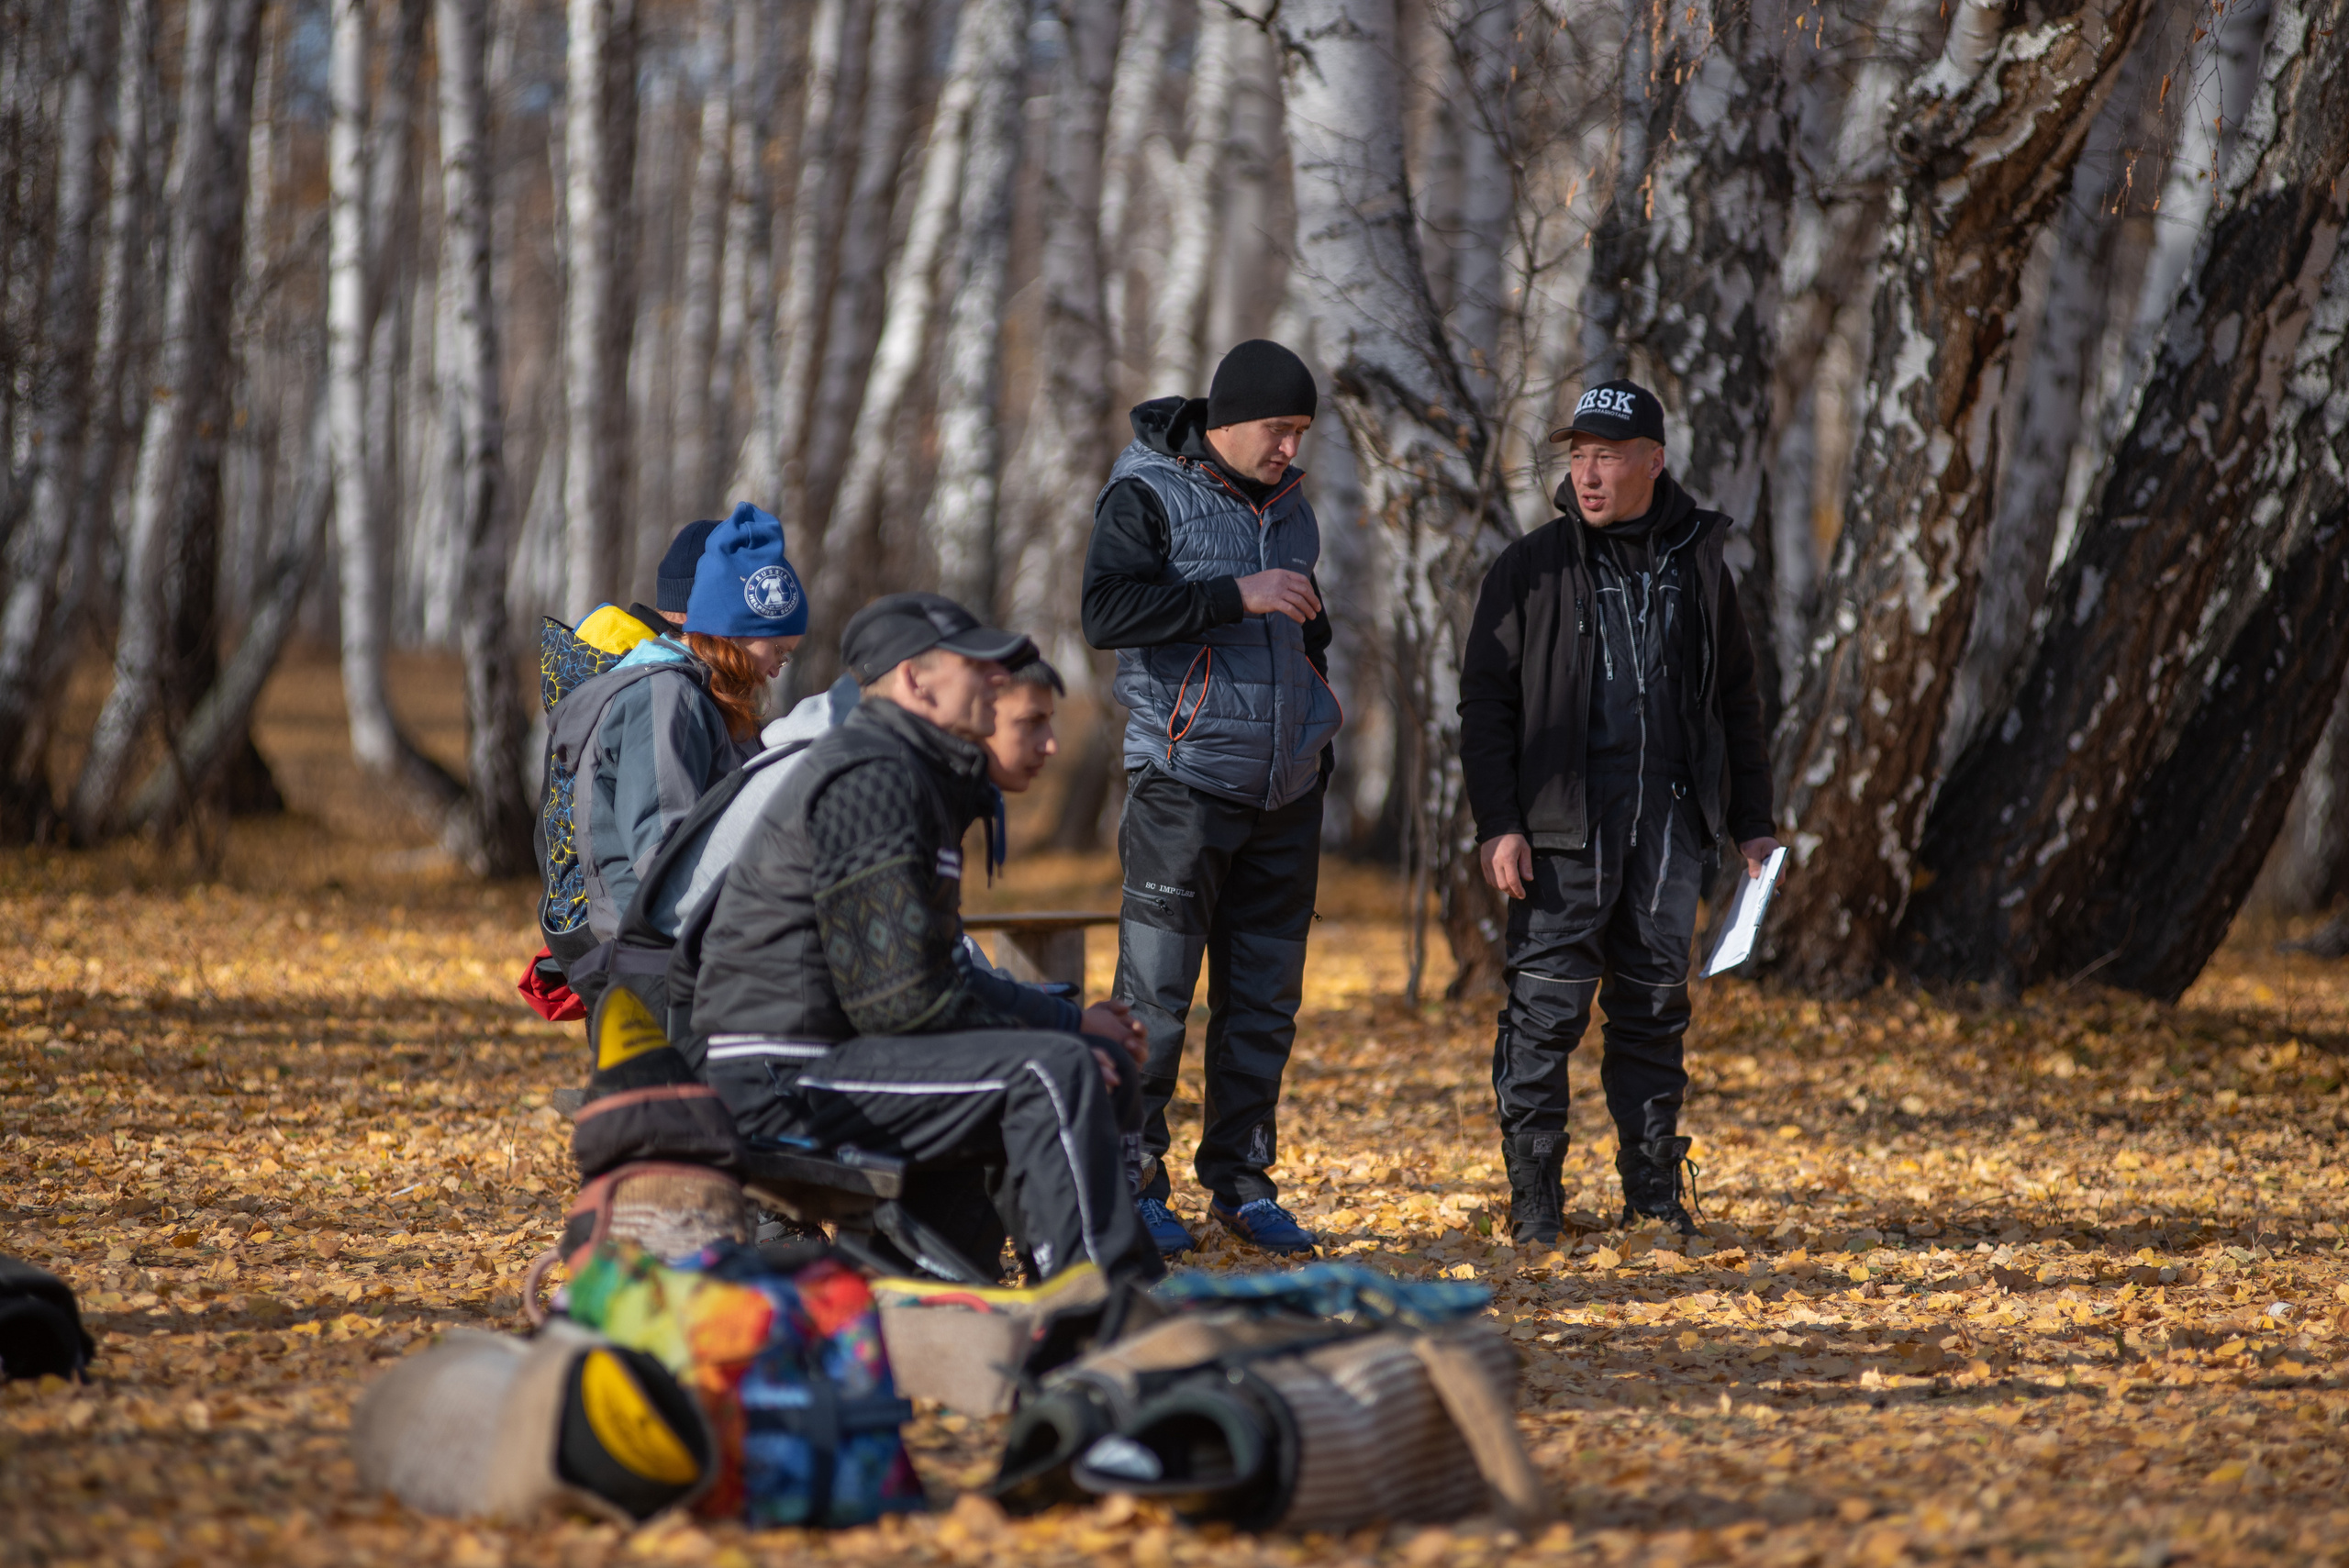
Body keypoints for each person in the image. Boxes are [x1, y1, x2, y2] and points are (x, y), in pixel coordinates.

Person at [689, 594, 1161, 1285]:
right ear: (916, 680)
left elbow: (918, 984)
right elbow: (902, 1002)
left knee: (1072, 1058)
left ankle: (939, 1298)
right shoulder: (874, 774)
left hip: (830, 1060)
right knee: (1048, 1070)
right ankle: (1104, 1313)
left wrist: (1065, 1023)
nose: (998, 684)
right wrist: (1059, 1021)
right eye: (981, 673)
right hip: (782, 1078)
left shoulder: (914, 772)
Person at [1457, 379, 1778, 1242]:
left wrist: (1752, 820)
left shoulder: (1701, 565)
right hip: (1561, 835)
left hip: (1670, 831)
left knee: (1652, 1013)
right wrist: (1501, 823)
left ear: (1653, 462)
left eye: (1607, 456)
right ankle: (1534, 1205)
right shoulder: (1531, 568)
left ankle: (1653, 1197)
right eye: (1579, 457)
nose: (1588, 475)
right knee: (1544, 1013)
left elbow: (1737, 702)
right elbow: (1484, 707)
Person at [1081, 339, 1341, 1258]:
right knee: (1153, 1001)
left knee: (1264, 1006)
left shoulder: (1292, 504)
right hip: (1182, 787)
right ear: (1230, 420)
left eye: (1302, 432)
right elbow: (1105, 614)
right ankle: (1132, 1183)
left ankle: (1241, 1183)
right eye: (1280, 429)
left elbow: (1305, 625)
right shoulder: (1145, 493)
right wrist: (1240, 594)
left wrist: (1320, 718)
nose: (1290, 448)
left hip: (1286, 792)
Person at [544, 504, 806, 996]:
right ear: (737, 629)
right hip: (658, 964)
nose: (777, 669)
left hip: (686, 954)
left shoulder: (706, 698)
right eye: (779, 651)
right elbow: (668, 858)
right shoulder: (667, 696)